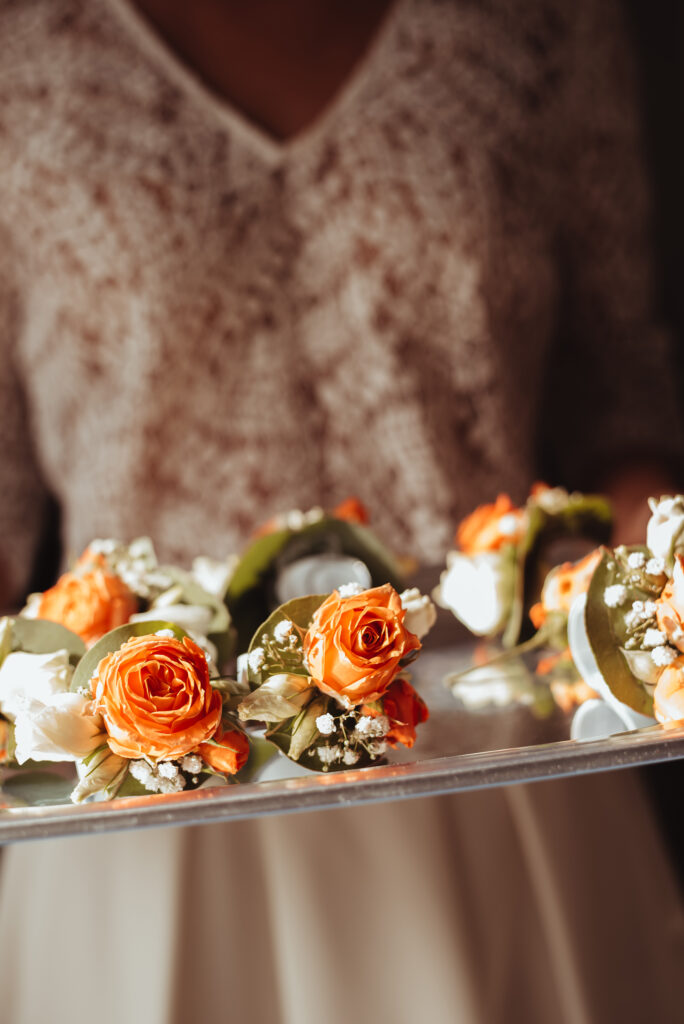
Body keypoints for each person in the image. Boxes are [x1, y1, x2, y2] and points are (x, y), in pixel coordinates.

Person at [0, 0, 682, 1021]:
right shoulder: (21, 53)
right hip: (141, 795)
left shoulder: (545, 25)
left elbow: (618, 396)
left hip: (503, 767)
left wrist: (662, 577)